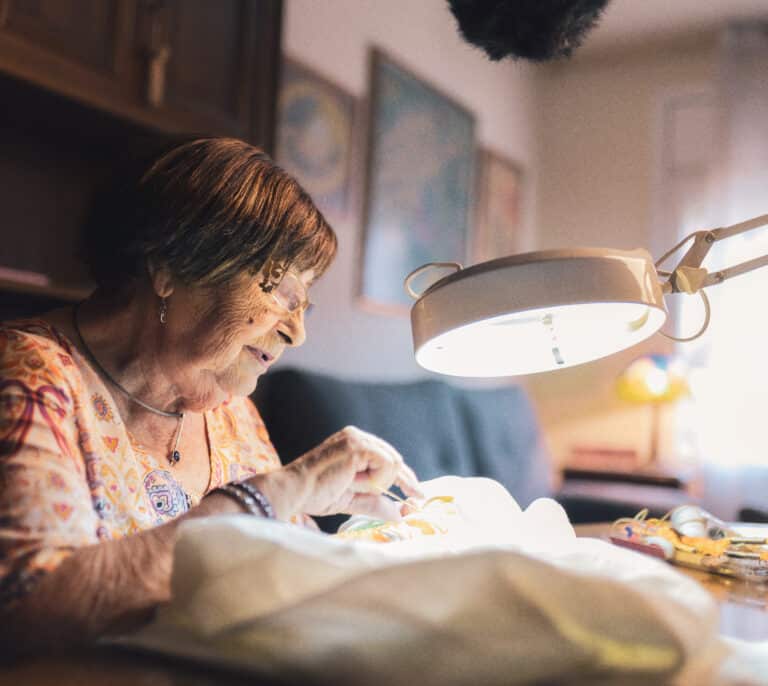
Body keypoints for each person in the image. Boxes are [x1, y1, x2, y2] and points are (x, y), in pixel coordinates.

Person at [0, 137, 421, 650]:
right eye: (278, 290)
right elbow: (29, 609)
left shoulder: (230, 411)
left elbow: (288, 573)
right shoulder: (29, 373)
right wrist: (276, 492)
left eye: (303, 306)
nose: (296, 332)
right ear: (169, 267)